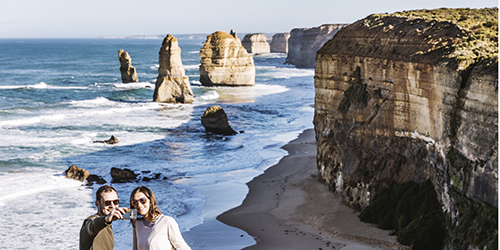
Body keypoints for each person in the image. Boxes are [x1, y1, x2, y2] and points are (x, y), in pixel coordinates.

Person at [130, 186, 191, 250]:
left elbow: (182, 247)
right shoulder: (137, 223)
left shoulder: (167, 222)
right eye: (135, 202)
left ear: (150, 201)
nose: (139, 205)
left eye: (143, 200)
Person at [80, 185, 127, 250]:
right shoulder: (89, 222)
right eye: (107, 203)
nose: (112, 206)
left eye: (115, 202)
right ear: (97, 204)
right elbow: (92, 225)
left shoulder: (107, 223)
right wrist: (106, 219)